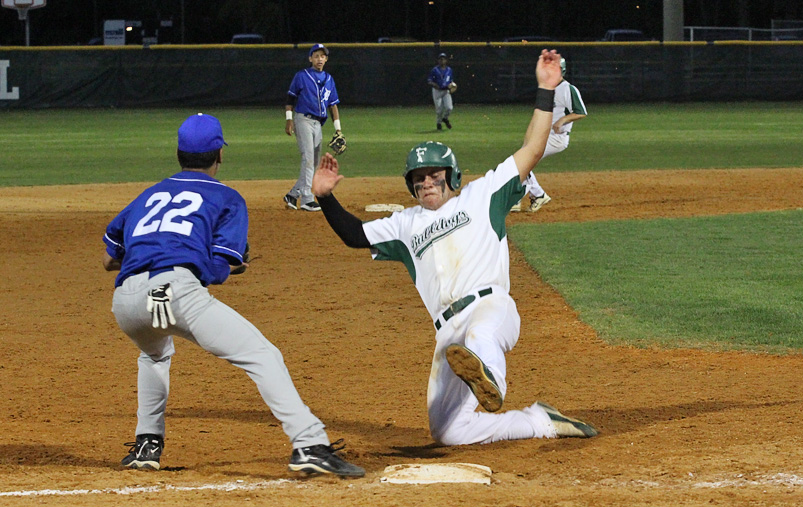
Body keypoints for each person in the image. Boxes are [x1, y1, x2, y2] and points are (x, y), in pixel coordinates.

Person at [311, 51, 598, 447]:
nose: (426, 182)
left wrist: (547, 89)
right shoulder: (405, 225)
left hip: (490, 308)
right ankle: (538, 421)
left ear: (453, 176)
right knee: (448, 431)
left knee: (480, 336)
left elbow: (532, 148)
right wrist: (325, 199)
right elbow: (355, 235)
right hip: (448, 336)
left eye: (434, 174)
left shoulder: (483, 195)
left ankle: (491, 377)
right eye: (418, 177)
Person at [103, 113, 364, 477]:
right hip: (176, 291)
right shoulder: (226, 196)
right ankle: (309, 444)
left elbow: (109, 258)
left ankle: (147, 444)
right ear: (219, 155)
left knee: (154, 354)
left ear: (178, 153)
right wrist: (228, 264)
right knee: (262, 354)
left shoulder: (148, 195)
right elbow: (223, 265)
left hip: (127, 301)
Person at [514, 57, 588, 212]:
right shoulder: (547, 89)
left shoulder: (567, 88)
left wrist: (563, 120)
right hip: (543, 135)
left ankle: (528, 196)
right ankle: (533, 196)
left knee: (524, 160)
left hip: (556, 138)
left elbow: (581, 112)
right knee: (522, 160)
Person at [283, 43, 343, 212]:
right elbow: (290, 99)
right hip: (303, 120)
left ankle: (293, 194)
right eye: (316, 56)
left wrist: (338, 129)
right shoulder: (302, 76)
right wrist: (289, 120)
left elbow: (333, 105)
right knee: (308, 158)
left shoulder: (329, 79)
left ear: (326, 59)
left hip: (318, 123)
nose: (319, 59)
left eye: (322, 56)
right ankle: (307, 199)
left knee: (314, 163)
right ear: (310, 58)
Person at [428, 52, 455, 131]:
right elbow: (429, 80)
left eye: (443, 59)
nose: (442, 60)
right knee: (439, 110)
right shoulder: (435, 70)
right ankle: (439, 123)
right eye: (440, 59)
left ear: (446, 60)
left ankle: (445, 118)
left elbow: (451, 81)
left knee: (449, 107)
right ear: (438, 61)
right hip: (437, 91)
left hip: (446, 91)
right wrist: (434, 84)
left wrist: (452, 86)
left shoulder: (449, 70)